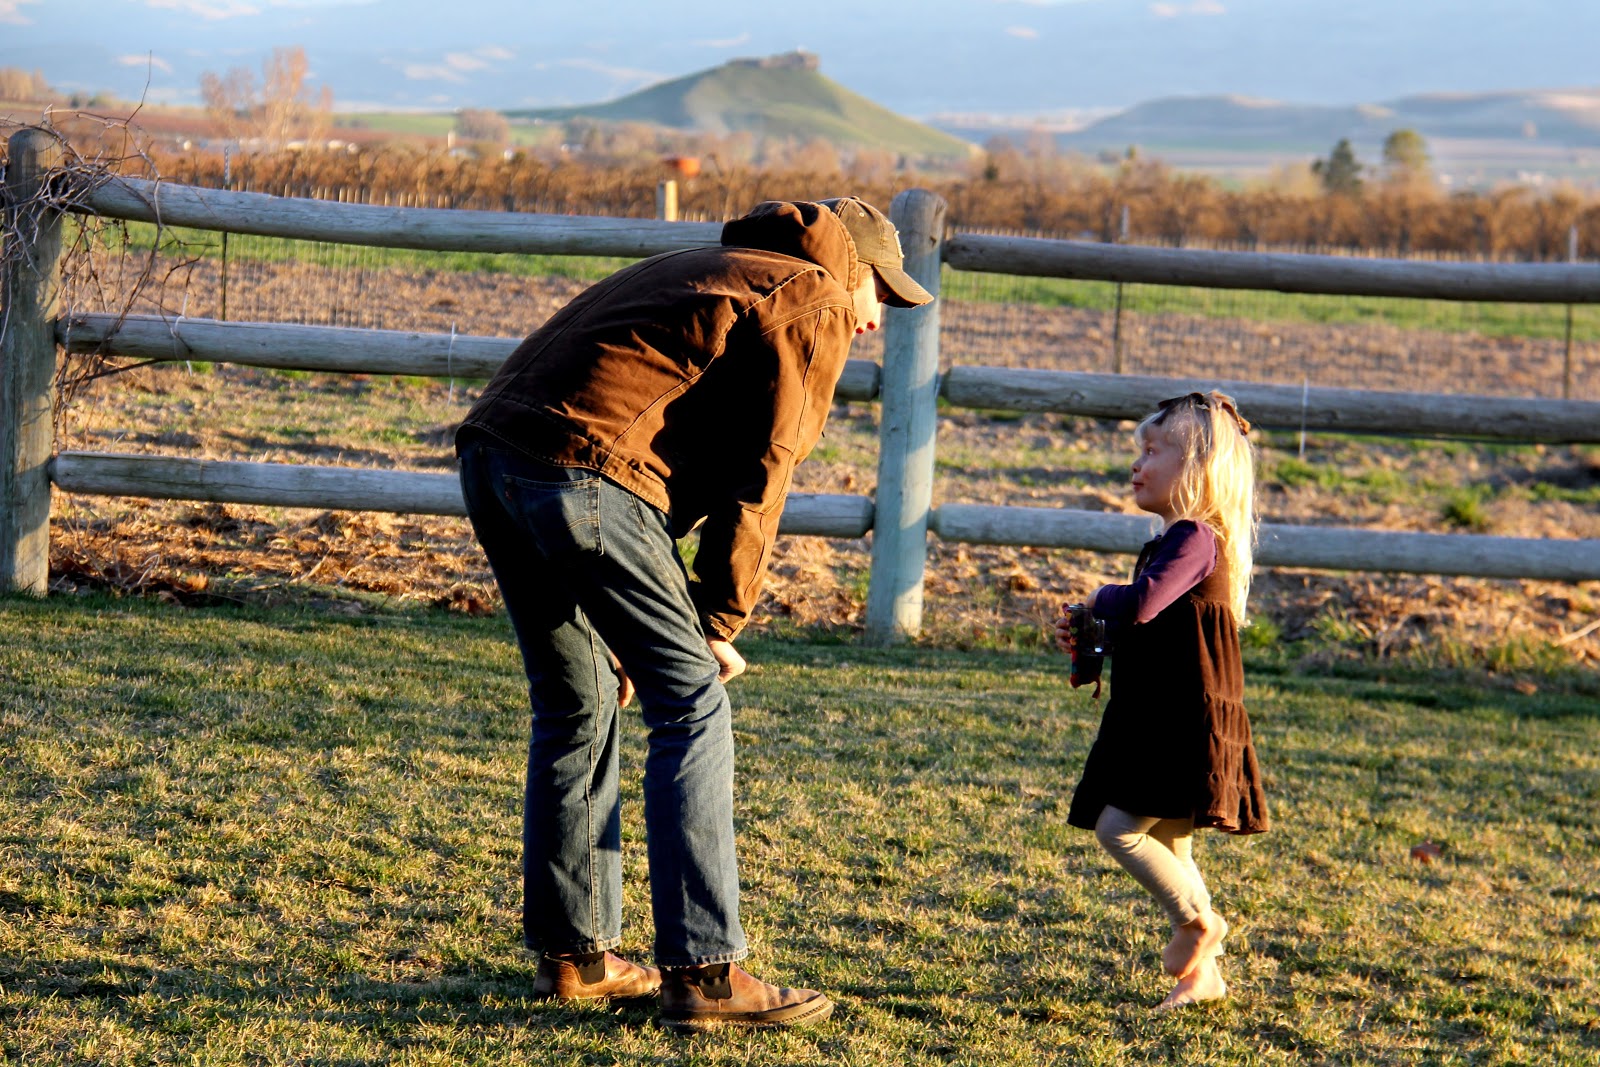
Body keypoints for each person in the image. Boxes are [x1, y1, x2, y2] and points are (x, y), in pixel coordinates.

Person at [455, 197, 932, 1031]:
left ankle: (576, 959)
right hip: (584, 471)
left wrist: (655, 612)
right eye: (880, 294)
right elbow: (764, 471)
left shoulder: (709, 268)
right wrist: (714, 621)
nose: (874, 320)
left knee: (576, 704)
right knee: (692, 704)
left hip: (498, 456)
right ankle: (705, 974)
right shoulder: (812, 293)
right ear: (851, 267)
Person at [1053, 390, 1270, 1011]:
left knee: (1118, 829)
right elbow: (1155, 627)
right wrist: (1094, 634)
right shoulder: (1176, 542)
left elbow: (1144, 604)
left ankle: (1198, 924)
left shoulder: (1195, 537)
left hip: (1177, 718)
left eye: (1152, 451)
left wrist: (1100, 597)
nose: (1137, 464)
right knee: (1173, 844)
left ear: (1197, 468)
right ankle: (1205, 977)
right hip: (1161, 710)